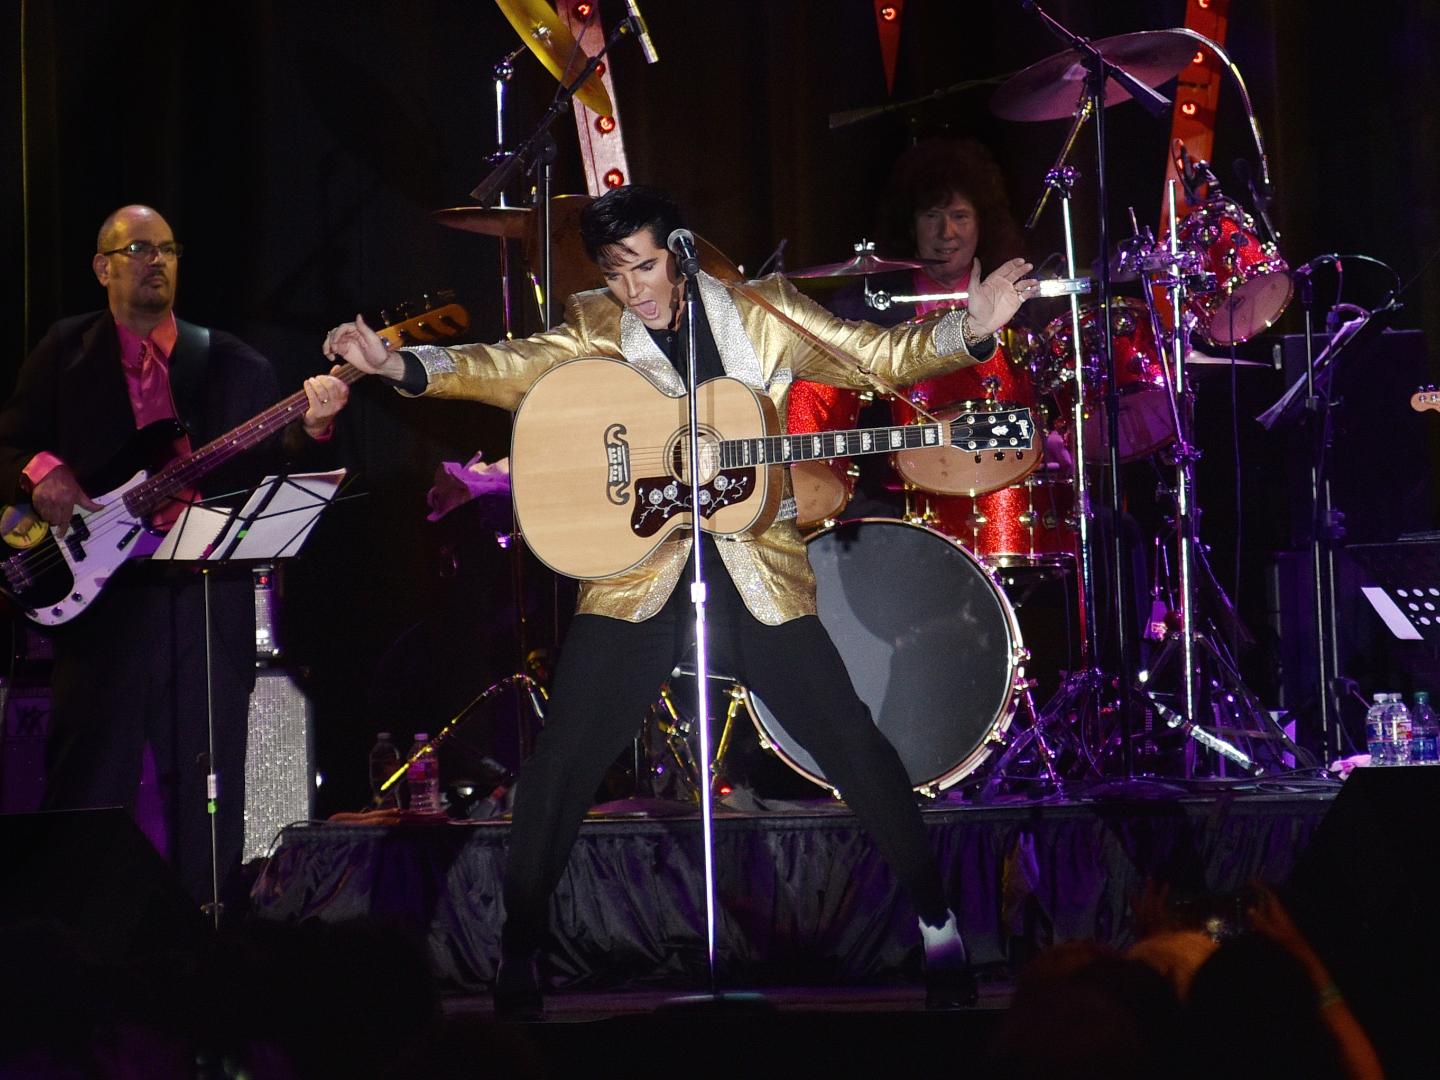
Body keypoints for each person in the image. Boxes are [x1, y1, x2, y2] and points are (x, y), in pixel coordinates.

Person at [324, 184, 1037, 1018]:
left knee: (851, 741)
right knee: (562, 767)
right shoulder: (596, 325)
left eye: (648, 265)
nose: (635, 287)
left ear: (683, 249)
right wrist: (402, 365)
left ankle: (937, 922)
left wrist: (970, 328)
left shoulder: (762, 311)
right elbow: (505, 367)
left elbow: (874, 358)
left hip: (755, 578)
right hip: (636, 579)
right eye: (618, 271)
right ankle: (521, 947)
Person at [0, 204, 348, 911]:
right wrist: (41, 472)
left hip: (203, 600)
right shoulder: (64, 353)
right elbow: (10, 443)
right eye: (136, 249)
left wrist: (313, 428)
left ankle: (206, 939)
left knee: (210, 786)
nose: (155, 260)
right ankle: (75, 946)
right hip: (102, 607)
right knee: (86, 786)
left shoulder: (230, 363)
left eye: (167, 249)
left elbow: (276, 471)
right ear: (103, 267)